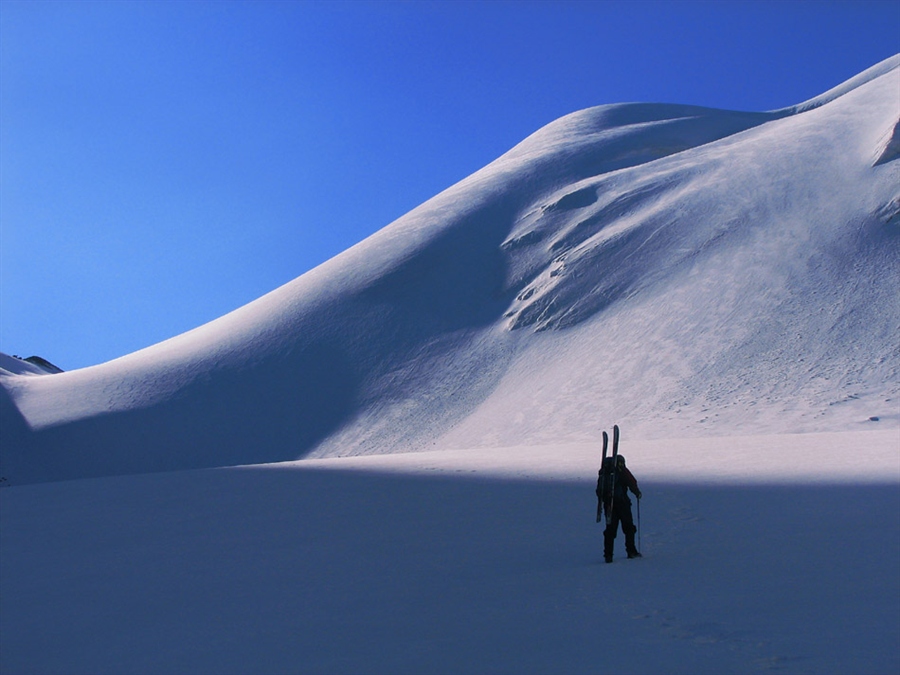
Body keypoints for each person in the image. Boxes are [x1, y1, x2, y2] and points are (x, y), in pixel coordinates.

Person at [596, 454, 642, 563]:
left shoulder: (604, 472)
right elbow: (631, 481)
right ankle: (631, 551)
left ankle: (608, 555)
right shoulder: (621, 470)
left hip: (608, 504)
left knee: (610, 529)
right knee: (629, 527)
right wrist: (637, 493)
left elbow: (599, 490)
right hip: (622, 504)